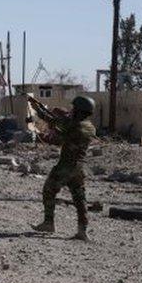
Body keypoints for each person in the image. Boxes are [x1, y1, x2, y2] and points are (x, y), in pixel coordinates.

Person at [30, 95, 96, 241]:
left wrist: (37, 109)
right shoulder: (89, 127)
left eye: (74, 108)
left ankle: (48, 223)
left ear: (79, 110)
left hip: (66, 165)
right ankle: (82, 231)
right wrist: (41, 108)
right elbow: (59, 125)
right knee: (80, 198)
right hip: (79, 167)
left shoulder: (73, 124)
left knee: (49, 190)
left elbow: (52, 121)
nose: (71, 110)